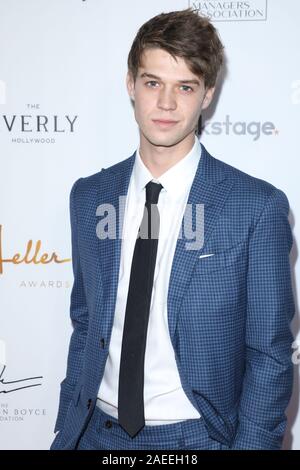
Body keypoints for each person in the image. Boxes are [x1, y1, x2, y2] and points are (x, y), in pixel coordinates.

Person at [50, 8, 295, 450]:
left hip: (199, 439)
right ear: (131, 84)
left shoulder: (255, 206)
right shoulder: (89, 198)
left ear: (207, 95)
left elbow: (270, 354)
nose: (166, 104)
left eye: (185, 86)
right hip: (92, 435)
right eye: (152, 83)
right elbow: (86, 322)